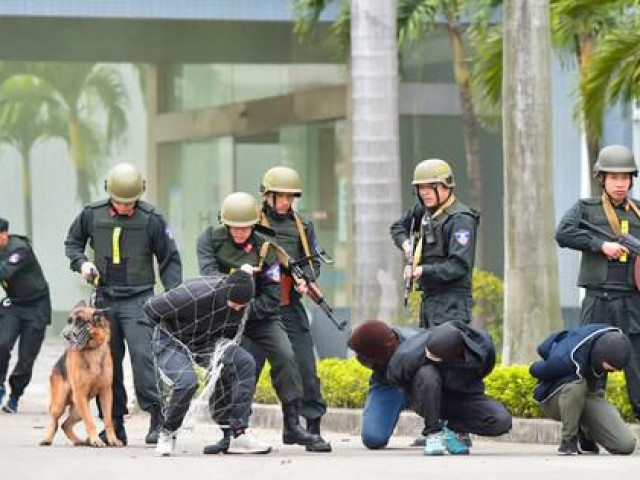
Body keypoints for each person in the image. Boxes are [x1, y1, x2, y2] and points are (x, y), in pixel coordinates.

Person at [64, 163, 182, 445]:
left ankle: (157, 419)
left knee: (143, 357)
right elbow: (72, 243)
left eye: (131, 202)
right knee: (108, 364)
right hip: (105, 300)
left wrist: (173, 297)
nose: (126, 206)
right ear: (109, 193)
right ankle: (113, 424)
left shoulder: (152, 218)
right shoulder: (91, 215)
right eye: (120, 201)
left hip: (139, 298)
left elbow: (169, 259)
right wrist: (82, 263)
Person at [196, 191, 323, 451]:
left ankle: (292, 424)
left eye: (246, 227)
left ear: (254, 224)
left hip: (260, 317)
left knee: (287, 357)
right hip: (224, 317)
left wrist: (247, 308)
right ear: (225, 223)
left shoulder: (267, 247)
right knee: (229, 367)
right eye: (235, 227)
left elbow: (273, 294)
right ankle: (228, 431)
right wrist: (235, 289)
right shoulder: (209, 240)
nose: (240, 232)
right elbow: (209, 277)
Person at [144, 266, 272, 456]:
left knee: (244, 361)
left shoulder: (243, 303)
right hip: (172, 338)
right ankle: (167, 433)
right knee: (187, 382)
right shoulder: (193, 294)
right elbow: (150, 308)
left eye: (241, 306)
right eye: (233, 303)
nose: (237, 308)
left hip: (208, 342)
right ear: (225, 293)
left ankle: (239, 434)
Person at [556, 144, 640, 420]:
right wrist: (600, 245)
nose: (620, 184)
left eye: (625, 178)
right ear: (601, 179)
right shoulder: (587, 209)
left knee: (638, 368)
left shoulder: (638, 212)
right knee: (592, 366)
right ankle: (585, 431)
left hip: (632, 301)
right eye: (614, 178)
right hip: (598, 300)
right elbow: (563, 233)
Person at [348, 319, 511, 455]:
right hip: (392, 385)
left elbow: (471, 388)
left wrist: (463, 413)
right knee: (373, 438)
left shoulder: (469, 350)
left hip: (428, 388)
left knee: (501, 420)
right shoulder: (402, 357)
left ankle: (449, 430)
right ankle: (431, 428)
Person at [256, 166, 331, 452]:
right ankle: (235, 428)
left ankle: (309, 427)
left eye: (291, 197)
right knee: (246, 368)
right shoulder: (251, 222)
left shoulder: (302, 225)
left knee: (305, 369)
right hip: (258, 309)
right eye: (281, 197)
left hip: (289, 306)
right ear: (268, 196)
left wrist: (306, 279)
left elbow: (313, 261)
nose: (286, 202)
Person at [390, 159, 480, 329]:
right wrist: (408, 246)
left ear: (447, 185)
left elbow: (459, 265)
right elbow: (398, 227)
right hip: (429, 301)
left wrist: (422, 270)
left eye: (432, 186)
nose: (425, 192)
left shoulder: (460, 220)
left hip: (452, 304)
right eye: (421, 187)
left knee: (445, 352)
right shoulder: (423, 211)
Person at [530, 324, 636, 455]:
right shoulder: (566, 358)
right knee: (577, 384)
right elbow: (535, 369)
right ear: (600, 356)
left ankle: (586, 437)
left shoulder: (613, 340)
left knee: (625, 445)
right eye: (611, 367)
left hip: (587, 396)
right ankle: (568, 441)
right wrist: (553, 366)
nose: (613, 371)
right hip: (555, 397)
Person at [0, 218, 51, 413]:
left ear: (4, 234)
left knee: (26, 358)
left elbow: (4, 271)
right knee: (2, 344)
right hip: (13, 303)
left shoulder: (19, 249)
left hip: (36, 305)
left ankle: (14, 396)